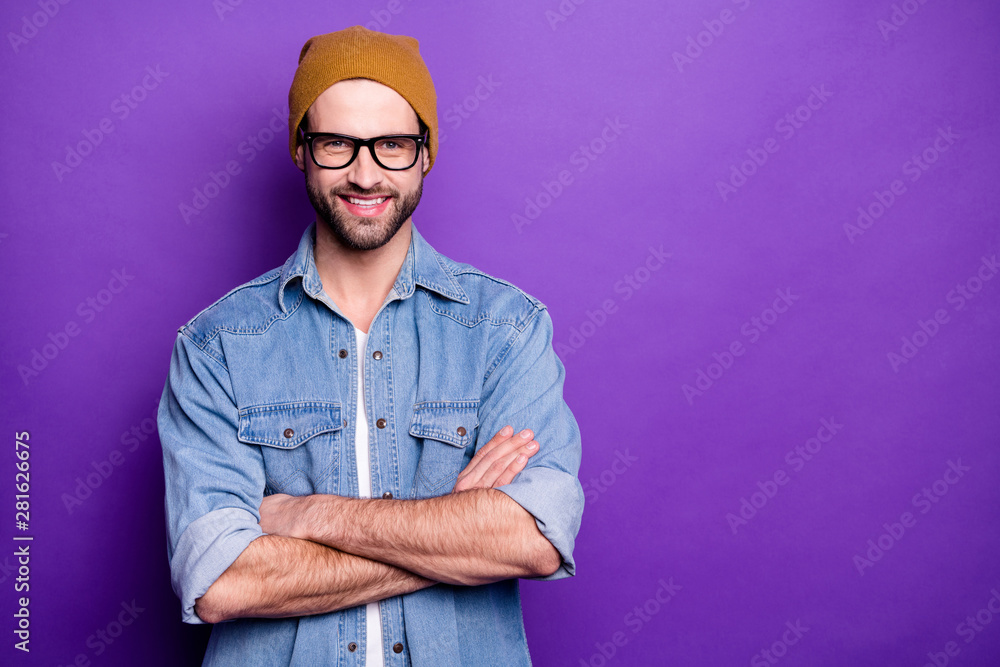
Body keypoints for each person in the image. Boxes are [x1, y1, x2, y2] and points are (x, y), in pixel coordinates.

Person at [157, 25, 584, 666]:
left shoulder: (507, 329)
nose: (365, 173)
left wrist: (310, 516)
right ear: (302, 151)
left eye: (391, 144)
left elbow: (534, 538)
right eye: (337, 143)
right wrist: (455, 535)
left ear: (426, 152)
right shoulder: (216, 346)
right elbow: (221, 582)